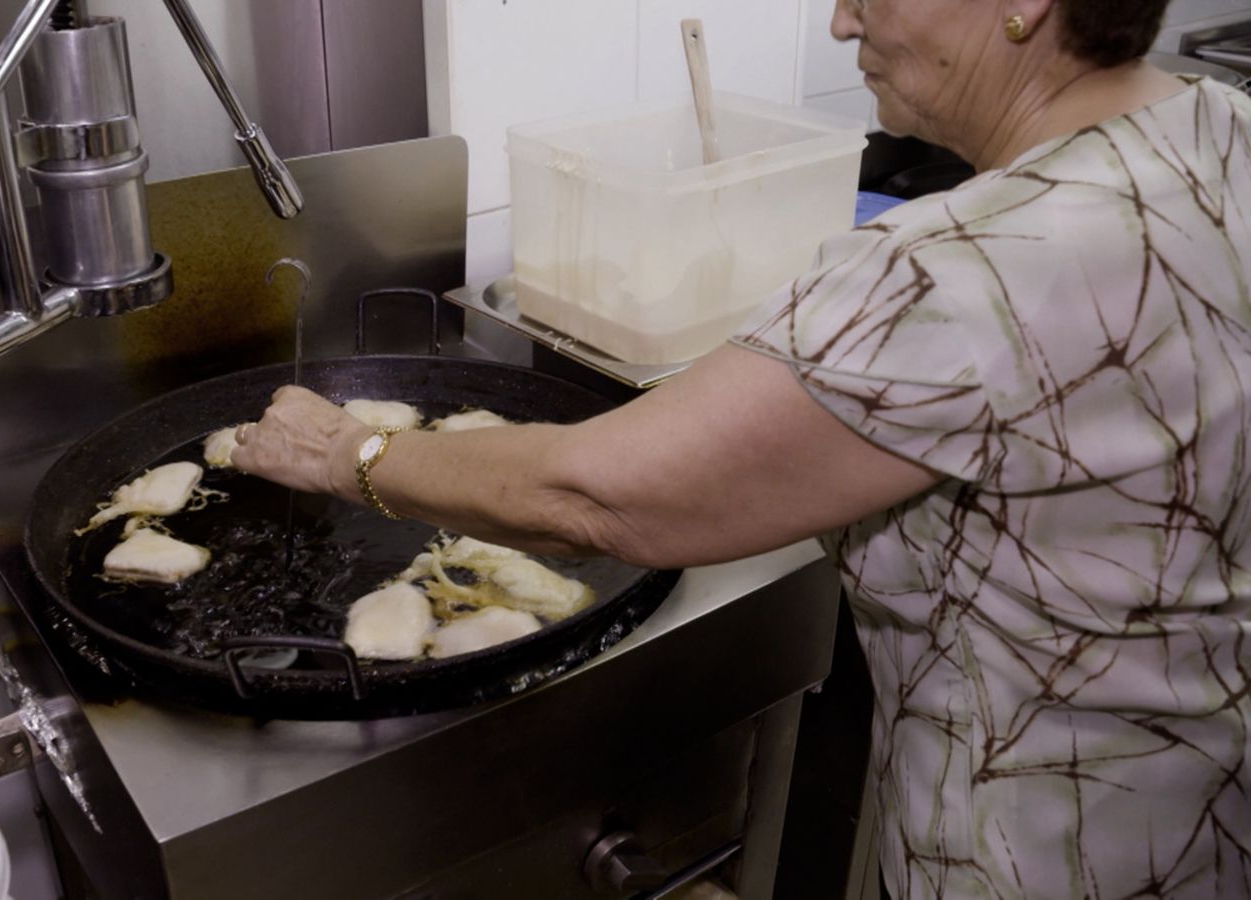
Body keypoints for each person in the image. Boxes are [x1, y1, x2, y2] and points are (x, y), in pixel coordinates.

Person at [233, 0, 1251, 896]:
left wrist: (346, 453)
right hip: (1205, 816)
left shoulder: (969, 268)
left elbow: (599, 495)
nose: (842, 20)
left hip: (1038, 855)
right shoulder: (1221, 128)